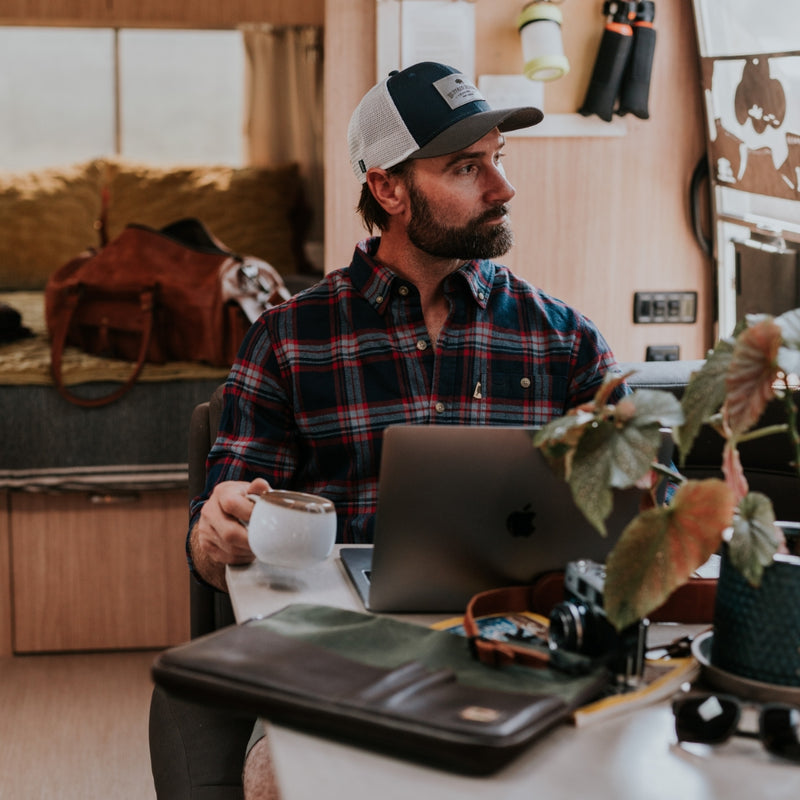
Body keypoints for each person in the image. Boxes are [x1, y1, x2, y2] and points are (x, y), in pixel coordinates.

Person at [187, 61, 625, 798]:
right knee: (280, 779)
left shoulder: (566, 342)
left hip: (523, 646)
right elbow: (211, 553)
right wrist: (216, 530)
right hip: (338, 654)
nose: (502, 188)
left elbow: (628, 523)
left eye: (497, 160)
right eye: (465, 167)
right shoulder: (288, 339)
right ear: (388, 187)